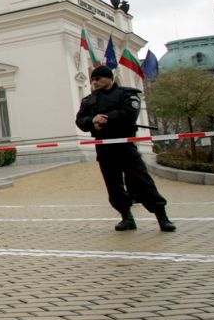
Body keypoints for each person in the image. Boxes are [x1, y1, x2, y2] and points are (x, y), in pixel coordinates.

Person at [75, 65, 176, 232]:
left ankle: (162, 216)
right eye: (93, 79)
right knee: (113, 184)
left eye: (98, 78)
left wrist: (105, 118)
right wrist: (92, 120)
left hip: (124, 145)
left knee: (141, 181)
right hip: (104, 147)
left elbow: (129, 114)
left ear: (109, 78)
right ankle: (126, 217)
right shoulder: (88, 101)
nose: (95, 82)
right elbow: (80, 120)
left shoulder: (127, 94)